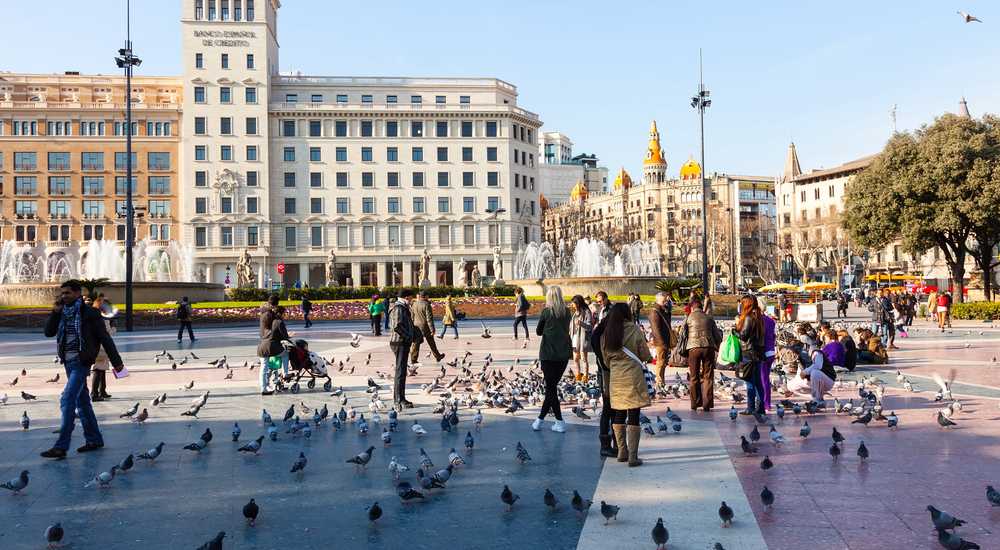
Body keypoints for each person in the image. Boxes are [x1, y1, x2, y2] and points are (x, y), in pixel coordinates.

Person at [40, 280, 124, 459]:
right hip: (67, 362)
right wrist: (55, 312)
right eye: (62, 293)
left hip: (81, 362)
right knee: (82, 401)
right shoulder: (62, 312)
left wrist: (117, 362)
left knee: (67, 399)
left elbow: (105, 338)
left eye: (68, 293)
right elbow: (48, 332)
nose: (64, 296)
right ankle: (94, 439)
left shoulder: (90, 313)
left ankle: (61, 446)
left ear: (78, 293)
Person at [602, 303, 653, 466]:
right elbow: (645, 354)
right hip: (633, 377)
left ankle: (621, 451)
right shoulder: (634, 329)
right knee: (633, 413)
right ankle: (633, 456)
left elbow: (606, 359)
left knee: (618, 413)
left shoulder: (608, 332)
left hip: (616, 378)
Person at [533, 286, 572, 433]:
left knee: (550, 388)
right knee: (551, 388)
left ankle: (559, 422)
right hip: (563, 354)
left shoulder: (547, 312)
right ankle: (539, 421)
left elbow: (538, 331)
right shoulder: (567, 312)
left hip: (548, 354)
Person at [683, 295, 721, 412]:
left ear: (692, 308)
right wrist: (717, 347)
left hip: (693, 348)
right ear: (701, 307)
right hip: (708, 347)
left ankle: (694, 403)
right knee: (708, 376)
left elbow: (683, 335)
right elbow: (717, 336)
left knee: (694, 376)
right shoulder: (709, 318)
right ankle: (707, 404)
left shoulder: (689, 318)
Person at [590, 308, 617, 458]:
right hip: (610, 375)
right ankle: (614, 444)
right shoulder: (608, 334)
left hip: (603, 375)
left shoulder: (598, 333)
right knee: (613, 410)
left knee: (607, 410)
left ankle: (606, 445)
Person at [736, 295, 766, 418]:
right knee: (758, 382)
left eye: (742, 303)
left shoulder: (748, 317)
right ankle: (761, 408)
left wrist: (735, 330)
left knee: (749, 382)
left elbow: (743, 336)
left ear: (746, 304)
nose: (741, 305)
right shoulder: (759, 317)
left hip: (749, 353)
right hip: (758, 353)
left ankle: (751, 408)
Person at [389, 289, 417, 410]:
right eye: (411, 298)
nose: (411, 300)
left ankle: (401, 397)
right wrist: (408, 337)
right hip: (399, 342)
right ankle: (398, 399)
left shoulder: (403, 307)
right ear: (406, 297)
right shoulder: (398, 308)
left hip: (402, 342)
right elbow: (397, 326)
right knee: (400, 371)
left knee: (402, 371)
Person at [257, 306, 290, 395]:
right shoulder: (279, 322)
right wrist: (289, 335)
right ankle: (285, 374)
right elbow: (285, 336)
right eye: (284, 313)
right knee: (285, 354)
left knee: (263, 368)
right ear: (281, 313)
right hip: (272, 347)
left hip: (261, 347)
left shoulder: (267, 322)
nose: (285, 315)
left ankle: (264, 388)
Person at [90, 296, 117, 402]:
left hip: (96, 347)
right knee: (98, 370)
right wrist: (113, 327)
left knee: (101, 369)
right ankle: (94, 393)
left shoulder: (93, 317)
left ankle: (102, 391)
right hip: (101, 348)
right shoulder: (103, 319)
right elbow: (108, 333)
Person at [409, 291, 444, 363]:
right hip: (425, 326)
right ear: (425, 296)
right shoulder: (426, 304)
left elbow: (412, 316)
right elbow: (429, 318)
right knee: (431, 342)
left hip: (416, 325)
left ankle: (413, 359)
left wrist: (412, 325)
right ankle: (437, 356)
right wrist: (432, 329)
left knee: (416, 343)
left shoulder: (414, 304)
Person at [648, 291, 673, 385]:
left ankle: (661, 380)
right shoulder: (655, 312)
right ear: (658, 299)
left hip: (665, 339)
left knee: (663, 362)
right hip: (660, 342)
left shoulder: (663, 310)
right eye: (664, 300)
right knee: (660, 362)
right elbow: (656, 329)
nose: (666, 301)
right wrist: (662, 343)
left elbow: (668, 320)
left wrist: (668, 306)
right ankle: (659, 381)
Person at [570, 295, 594, 381]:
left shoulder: (587, 312)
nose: (572, 305)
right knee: (575, 358)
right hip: (575, 338)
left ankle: (585, 375)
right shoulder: (575, 313)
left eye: (573, 303)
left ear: (578, 303)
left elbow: (590, 326)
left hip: (583, 338)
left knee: (584, 358)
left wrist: (581, 323)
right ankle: (578, 375)